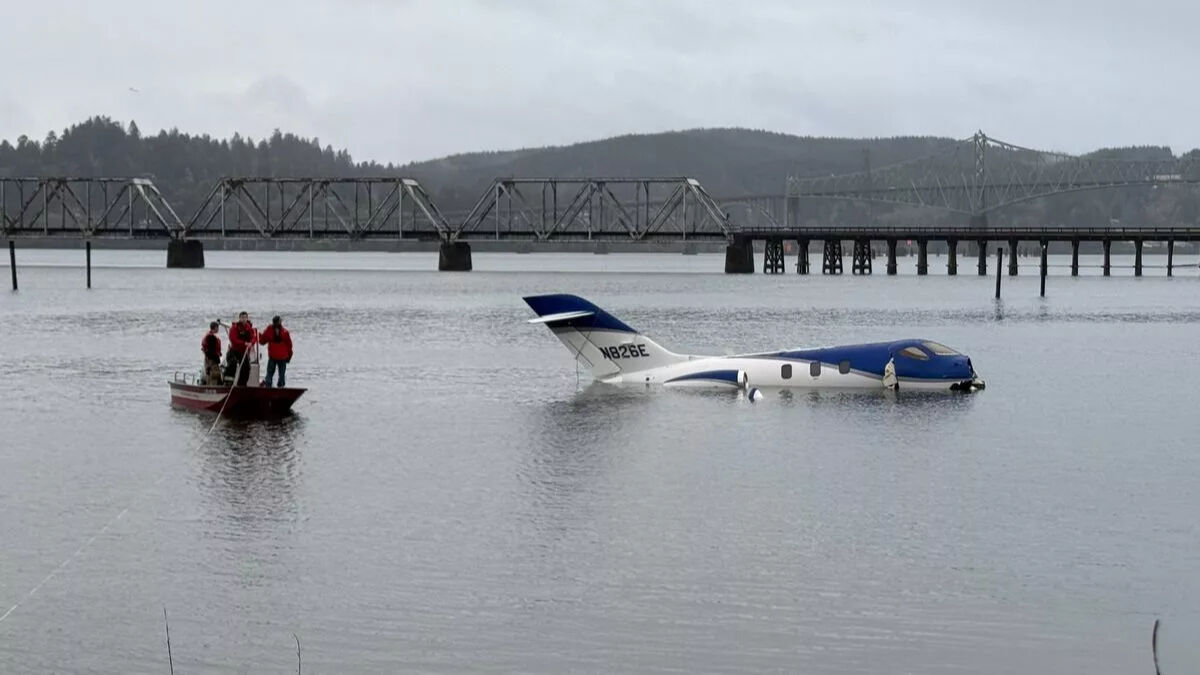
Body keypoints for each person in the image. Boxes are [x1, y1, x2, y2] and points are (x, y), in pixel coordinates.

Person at [259, 315, 293, 388]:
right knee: (281, 374)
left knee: (270, 372)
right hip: (282, 357)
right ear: (280, 322)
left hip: (273, 356)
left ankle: (268, 385)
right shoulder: (285, 332)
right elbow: (289, 346)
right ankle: (281, 386)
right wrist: (289, 356)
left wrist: (258, 336)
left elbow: (262, 341)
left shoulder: (269, 330)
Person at [224, 311, 256, 386]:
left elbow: (253, 337)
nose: (244, 319)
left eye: (245, 317)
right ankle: (228, 382)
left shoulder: (249, 328)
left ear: (247, 318)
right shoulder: (234, 327)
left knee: (246, 368)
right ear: (239, 318)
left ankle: (242, 384)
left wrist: (251, 343)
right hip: (234, 350)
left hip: (243, 352)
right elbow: (233, 339)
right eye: (242, 318)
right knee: (232, 363)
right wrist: (244, 343)